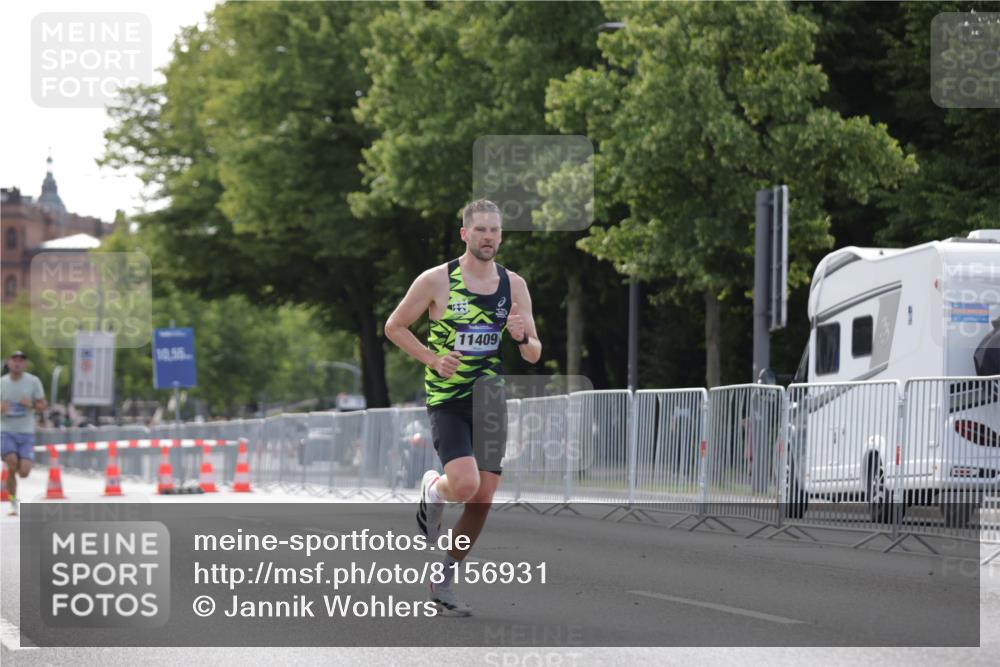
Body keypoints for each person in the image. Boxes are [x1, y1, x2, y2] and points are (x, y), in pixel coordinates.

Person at [385, 198, 541, 615]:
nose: (488, 237)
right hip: (449, 397)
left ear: (501, 236)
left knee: (482, 498)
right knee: (466, 484)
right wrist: (433, 359)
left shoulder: (515, 285)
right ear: (465, 234)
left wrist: (523, 336)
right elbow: (394, 326)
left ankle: (444, 579)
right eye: (481, 230)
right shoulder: (436, 281)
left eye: (495, 230)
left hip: (490, 399)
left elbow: (533, 354)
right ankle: (434, 489)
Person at [1, 350, 47, 516]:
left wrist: (32, 404)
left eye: (21, 360)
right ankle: (13, 500)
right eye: (14, 359)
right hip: (6, 431)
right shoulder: (2, 383)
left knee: (24, 472)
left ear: (25, 364)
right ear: (9, 362)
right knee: (12, 462)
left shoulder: (33, 381)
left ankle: (13, 473)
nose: (17, 363)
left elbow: (43, 405)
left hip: (26, 431)